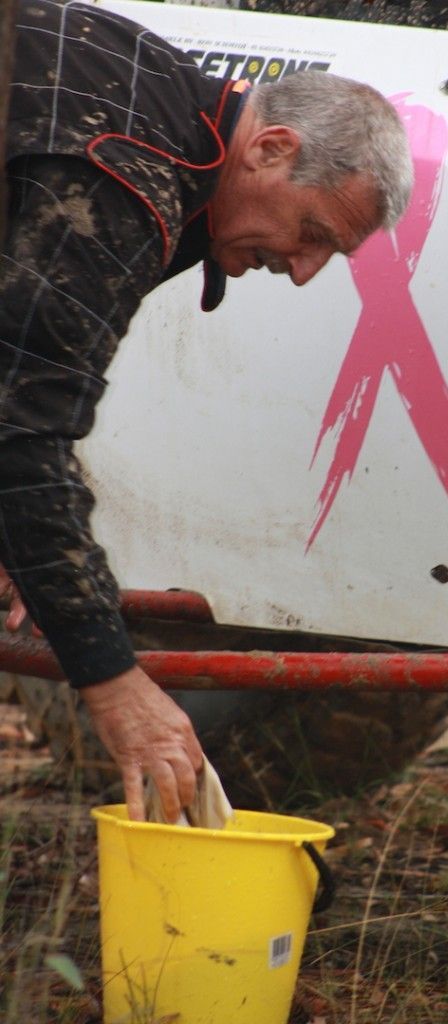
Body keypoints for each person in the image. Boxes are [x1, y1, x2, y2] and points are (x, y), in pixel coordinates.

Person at [0, 0, 413, 822]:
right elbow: (21, 431)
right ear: (271, 148)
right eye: (312, 232)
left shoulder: (168, 99)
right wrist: (114, 682)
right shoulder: (126, 179)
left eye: (328, 254)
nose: (303, 271)